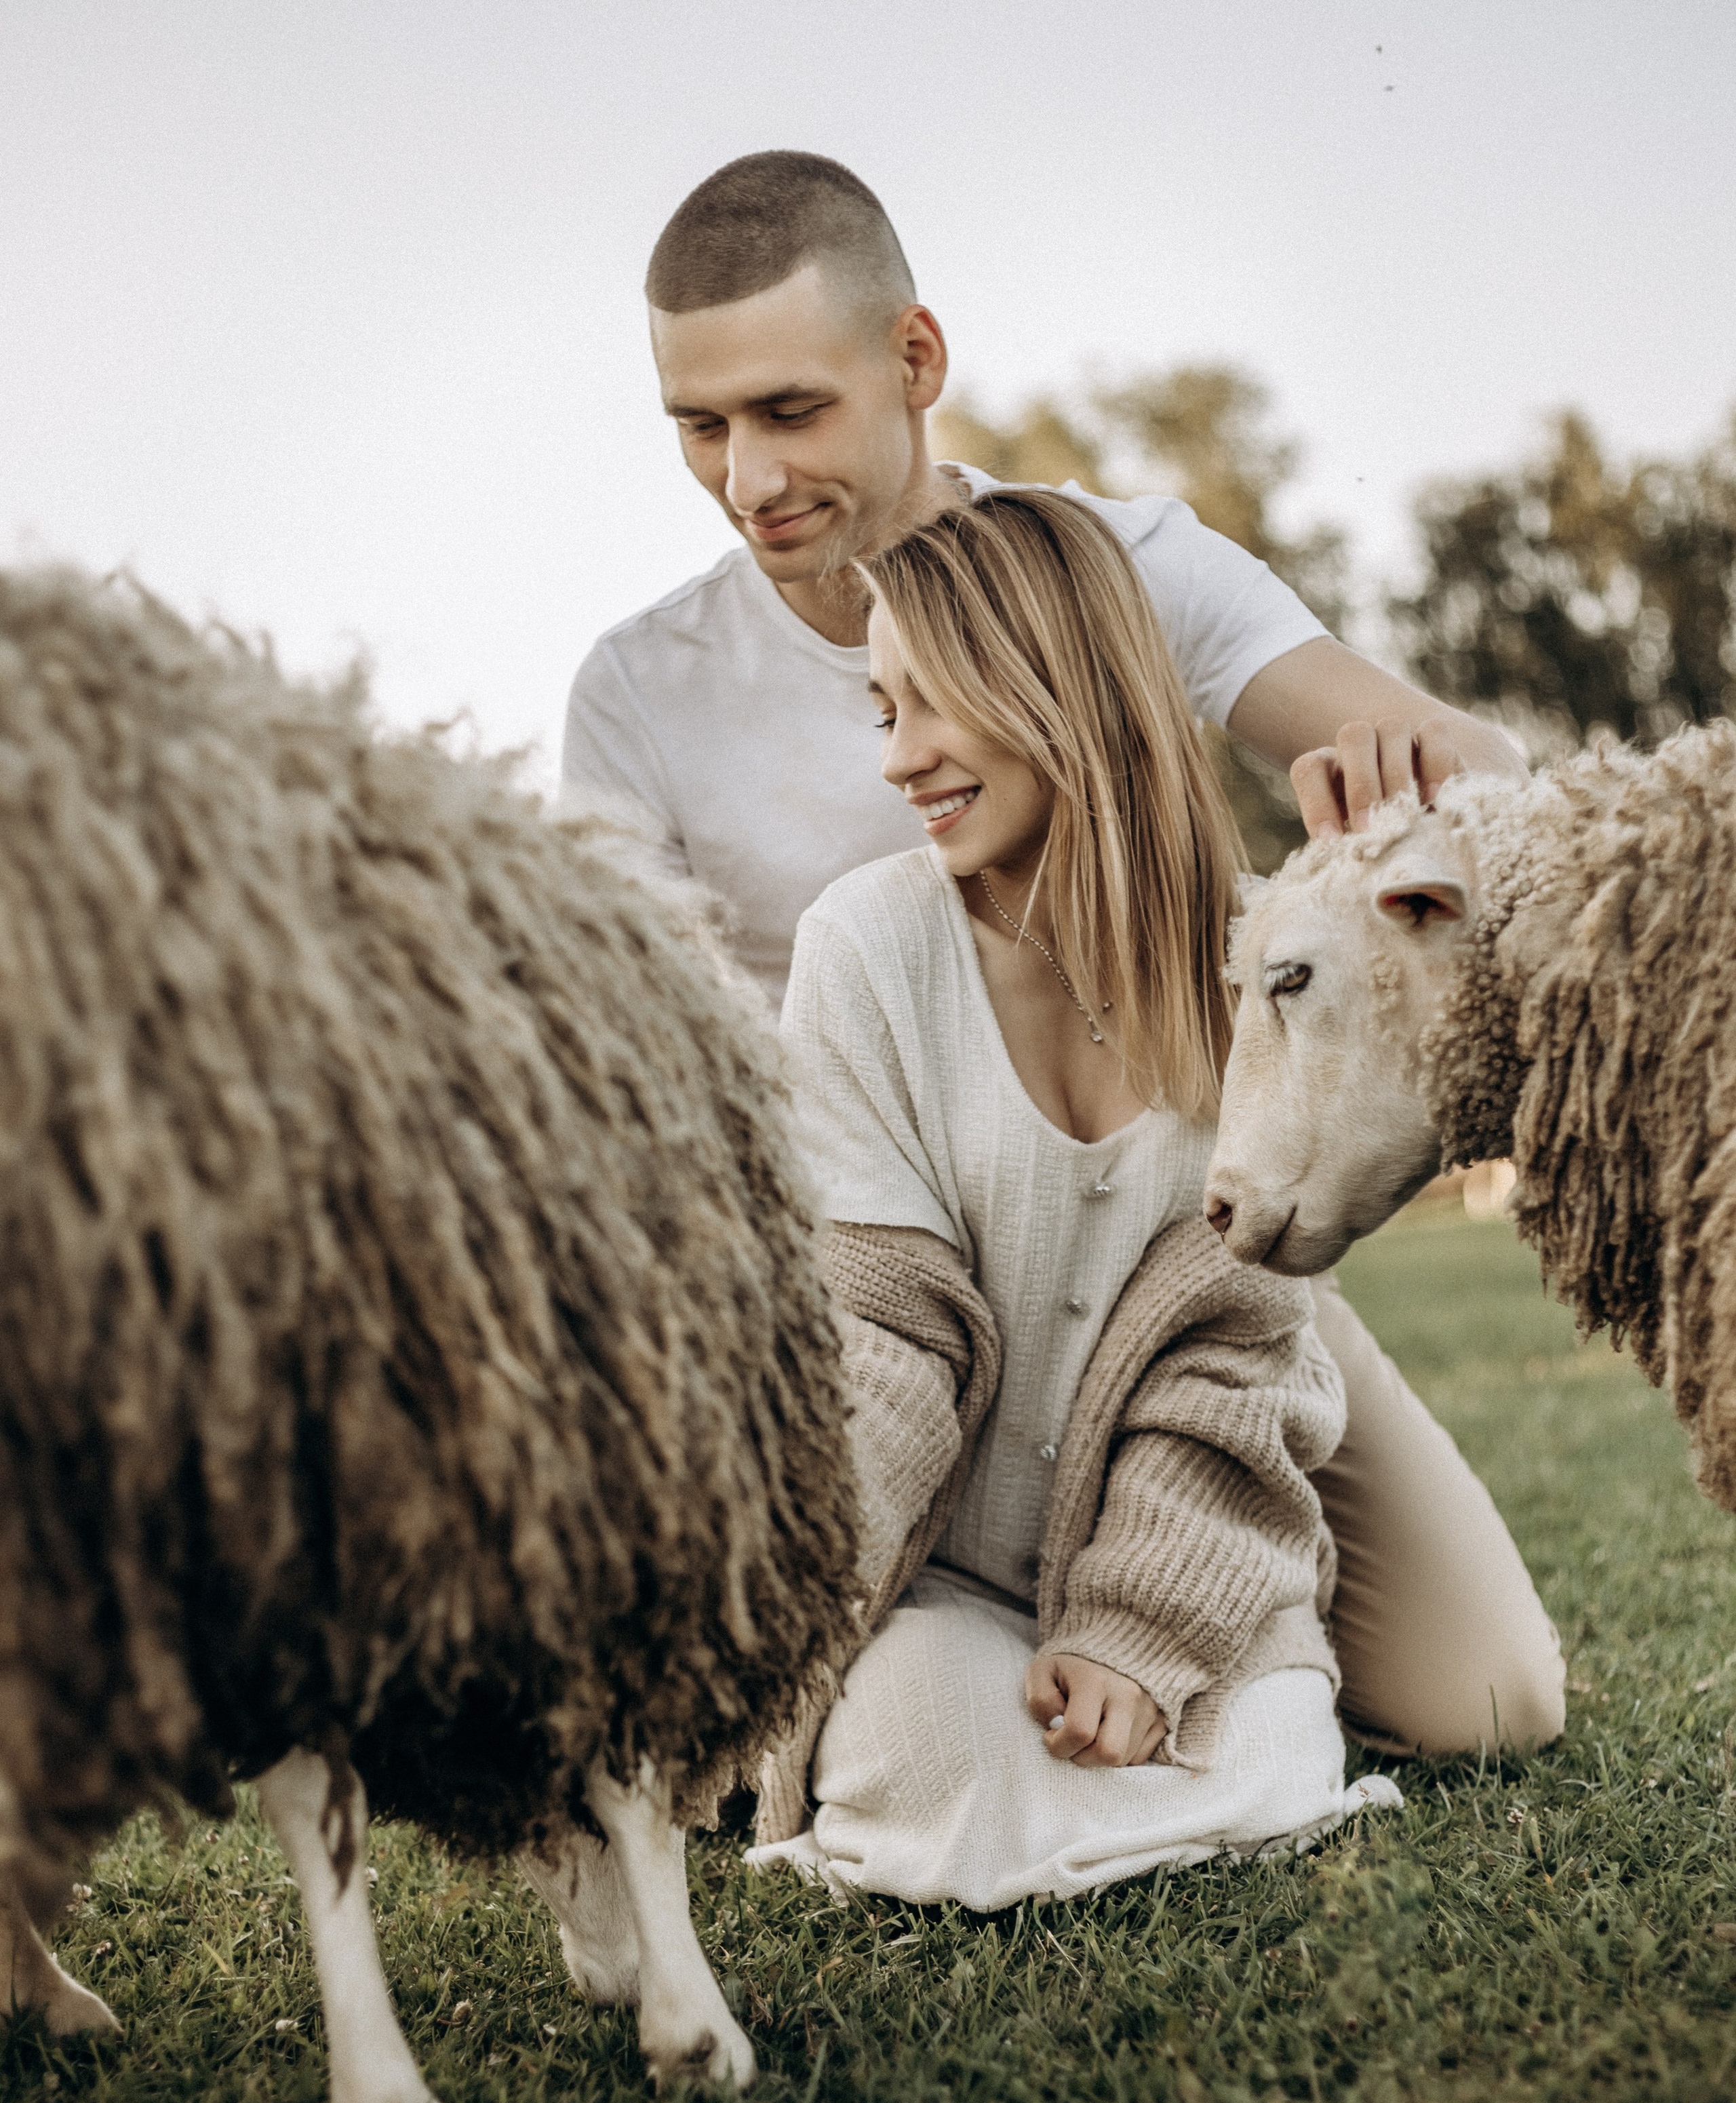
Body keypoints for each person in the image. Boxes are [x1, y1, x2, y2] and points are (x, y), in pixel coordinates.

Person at [563, 150, 1564, 1761]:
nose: (746, 478)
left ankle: (1179, 1575)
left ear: (915, 362)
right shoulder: (639, 694)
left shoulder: (1116, 570)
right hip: (870, 1296)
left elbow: (1464, 773)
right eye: (701, 427)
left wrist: (1393, 806)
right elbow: (617, 1089)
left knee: (1491, 1705)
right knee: (809, 1710)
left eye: (789, 412)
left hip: (1170, 1248)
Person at [749, 490, 1403, 1904]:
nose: (900, 760)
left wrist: (1137, 1633)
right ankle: (1094, 1814)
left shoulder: (1257, 974)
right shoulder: (861, 948)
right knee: (918, 1739)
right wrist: (754, 1644)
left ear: (1058, 684)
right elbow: (876, 1351)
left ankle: (1145, 1787)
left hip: (1167, 1560)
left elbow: (1236, 1367)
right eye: (882, 713)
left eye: (935, 705)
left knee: (1277, 1727)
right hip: (940, 1576)